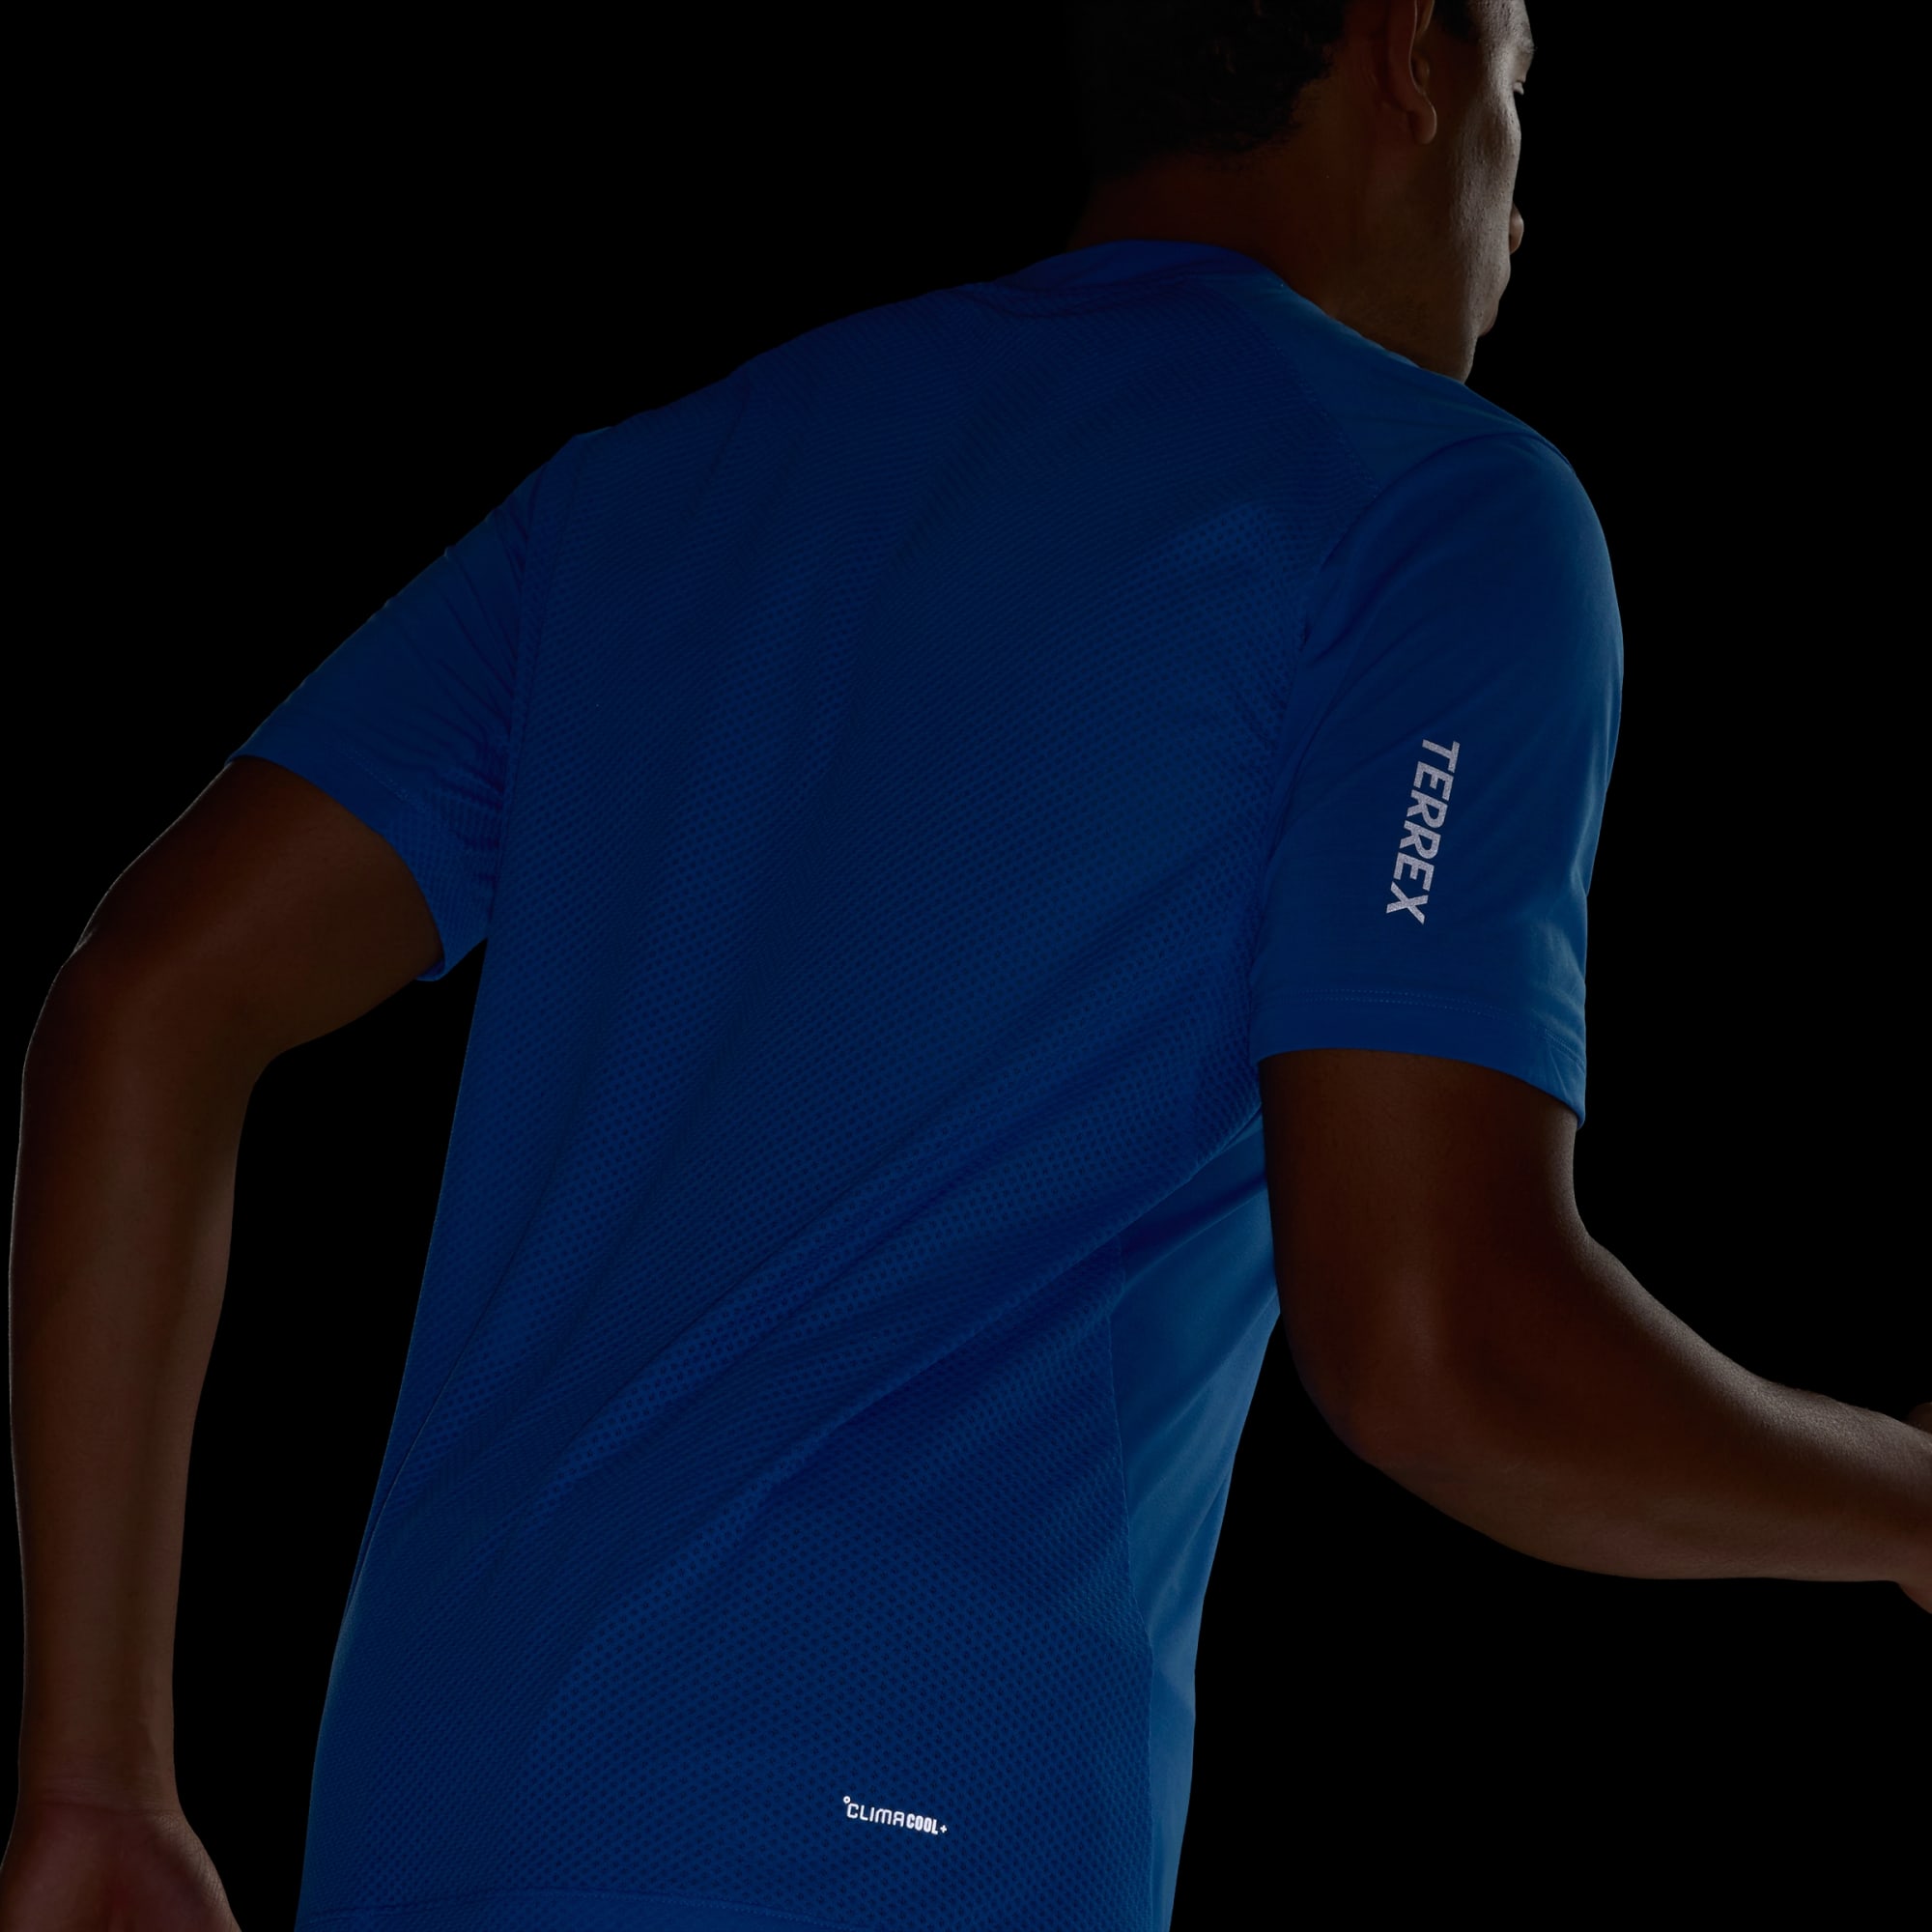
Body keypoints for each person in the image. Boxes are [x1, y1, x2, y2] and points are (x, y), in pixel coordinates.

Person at [7, 1, 1928, 1926]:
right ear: (1405, 54)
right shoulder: (1436, 512)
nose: (1519, 218)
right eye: (1519, 85)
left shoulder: (660, 483)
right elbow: (1442, 1343)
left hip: (433, 1797)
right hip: (873, 1813)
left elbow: (146, 996)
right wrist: (1904, 1501)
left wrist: (96, 1778)